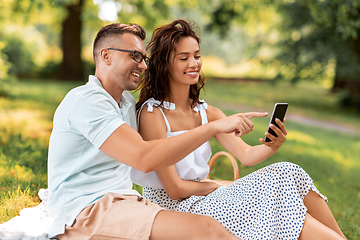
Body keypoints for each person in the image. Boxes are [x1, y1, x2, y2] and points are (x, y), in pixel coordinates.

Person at [131, 19, 347, 240]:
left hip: (208, 198)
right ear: (164, 64)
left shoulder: (208, 113)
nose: (194, 63)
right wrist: (214, 186)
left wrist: (273, 146)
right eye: (183, 58)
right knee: (281, 200)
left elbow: (247, 155)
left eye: (197, 55)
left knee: (288, 171)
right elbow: (174, 189)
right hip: (176, 210)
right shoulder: (153, 115)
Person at [47, 22, 263, 240]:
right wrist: (213, 127)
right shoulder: (86, 100)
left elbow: (154, 151)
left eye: (143, 58)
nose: (142, 65)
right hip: (85, 211)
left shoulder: (125, 103)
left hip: (125, 201)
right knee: (206, 229)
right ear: (106, 56)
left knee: (214, 225)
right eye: (134, 55)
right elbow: (144, 157)